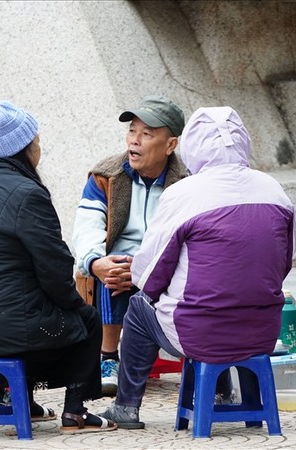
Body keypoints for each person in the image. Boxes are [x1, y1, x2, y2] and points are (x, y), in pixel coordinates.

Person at [100, 106, 296, 429]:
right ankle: (226, 396)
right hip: (262, 333)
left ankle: (126, 407)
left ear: (190, 144)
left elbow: (147, 278)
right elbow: (283, 263)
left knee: (138, 307)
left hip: (198, 335)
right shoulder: (276, 191)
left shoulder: (184, 194)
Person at [0, 101, 116, 434]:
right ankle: (75, 414)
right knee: (87, 319)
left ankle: (26, 403)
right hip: (6, 331)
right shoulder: (26, 194)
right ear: (20, 150)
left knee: (26, 309)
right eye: (34, 141)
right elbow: (54, 266)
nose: (39, 147)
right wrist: (75, 305)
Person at [71, 95, 188, 396]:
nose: (134, 141)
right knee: (115, 266)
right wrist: (94, 262)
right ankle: (109, 357)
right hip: (121, 266)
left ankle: (190, 352)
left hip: (165, 264)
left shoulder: (186, 182)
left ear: (170, 144)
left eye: (147, 134)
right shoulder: (106, 175)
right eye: (132, 131)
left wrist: (145, 267)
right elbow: (87, 226)